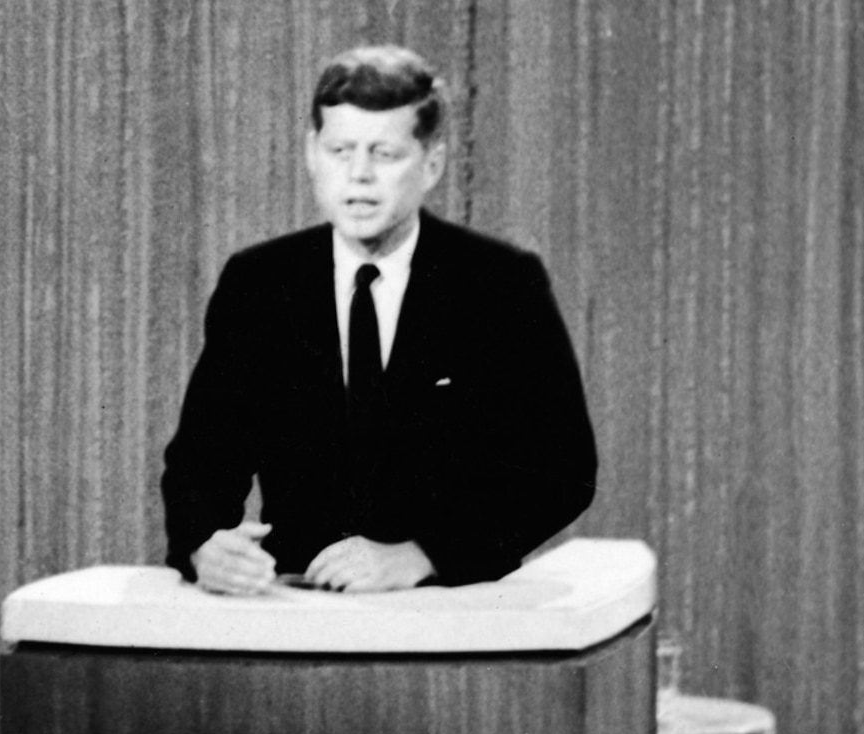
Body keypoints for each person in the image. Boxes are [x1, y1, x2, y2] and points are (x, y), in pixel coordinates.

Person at [160, 44, 595, 595]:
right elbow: (201, 460)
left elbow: (562, 470)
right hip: (298, 604)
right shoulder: (260, 283)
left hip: (452, 608)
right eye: (340, 149)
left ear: (431, 163)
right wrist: (205, 545)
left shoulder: (500, 283)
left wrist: (421, 554)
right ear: (311, 154)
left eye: (384, 154)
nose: (359, 175)